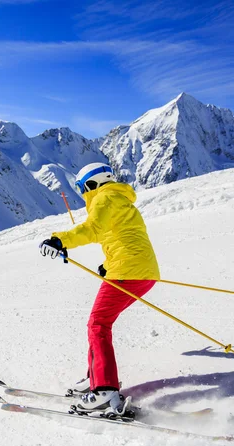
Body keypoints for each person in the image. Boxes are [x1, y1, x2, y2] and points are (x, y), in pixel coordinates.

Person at [39, 162, 160, 415]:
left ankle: (104, 391)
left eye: (82, 188)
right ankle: (95, 379)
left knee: (98, 324)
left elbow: (93, 229)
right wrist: (107, 264)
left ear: (92, 184)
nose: (83, 194)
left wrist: (60, 240)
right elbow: (121, 235)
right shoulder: (120, 199)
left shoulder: (104, 198)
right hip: (143, 271)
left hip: (127, 272)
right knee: (100, 322)